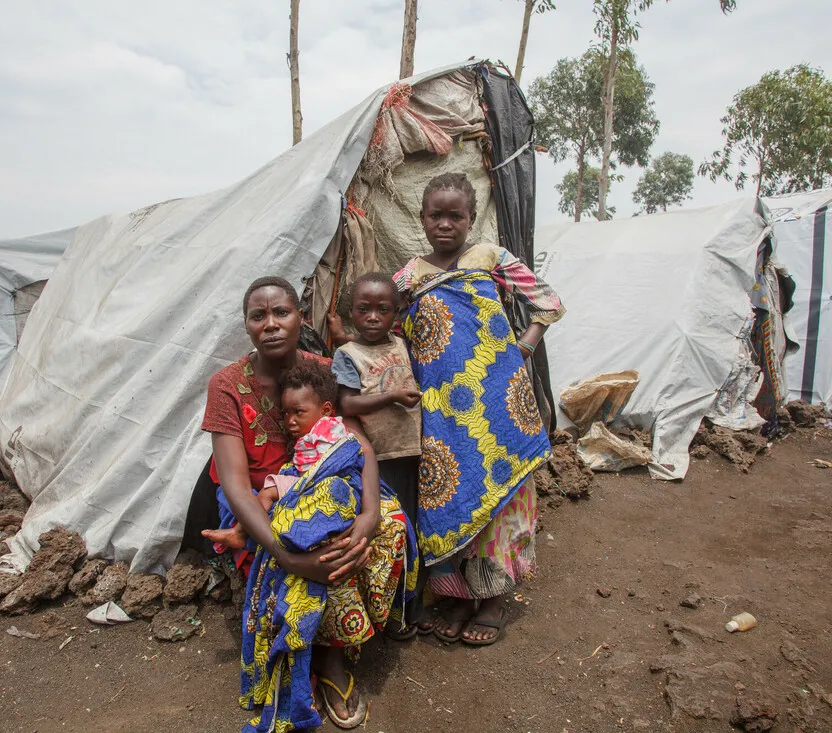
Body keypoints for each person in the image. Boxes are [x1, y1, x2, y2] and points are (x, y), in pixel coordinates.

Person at [200, 276, 410, 731]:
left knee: (382, 528)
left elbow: (360, 449)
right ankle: (313, 660)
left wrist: (370, 515)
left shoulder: (324, 369)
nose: (271, 324)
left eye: (282, 313)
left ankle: (335, 651)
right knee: (301, 550)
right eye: (259, 316)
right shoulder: (226, 386)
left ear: (302, 318)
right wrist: (283, 554)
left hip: (328, 481)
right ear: (247, 326)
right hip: (260, 499)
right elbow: (236, 487)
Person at [394, 172, 565, 646]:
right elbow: (383, 326)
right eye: (436, 215)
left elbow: (547, 303)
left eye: (456, 216)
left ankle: (492, 600)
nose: (445, 224)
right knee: (452, 495)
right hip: (442, 411)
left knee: (504, 500)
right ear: (422, 218)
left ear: (471, 219)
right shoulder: (408, 276)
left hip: (499, 401)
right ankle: (459, 596)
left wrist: (522, 351)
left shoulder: (491, 257)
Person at [330, 272, 431, 639]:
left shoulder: (403, 346)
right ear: (351, 313)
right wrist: (390, 396)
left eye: (383, 309)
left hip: (413, 455)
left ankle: (414, 604)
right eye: (364, 309)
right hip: (378, 463)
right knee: (390, 535)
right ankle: (392, 612)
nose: (373, 317)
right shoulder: (347, 355)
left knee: (415, 534)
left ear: (397, 313)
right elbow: (347, 403)